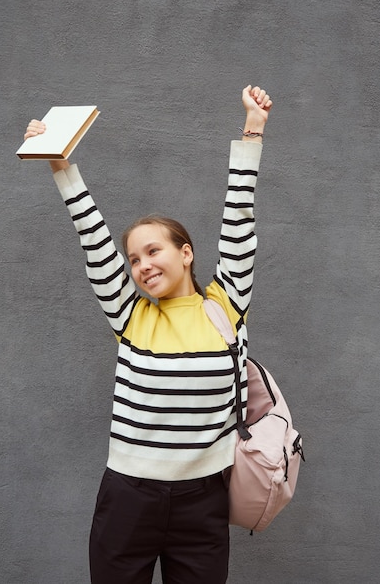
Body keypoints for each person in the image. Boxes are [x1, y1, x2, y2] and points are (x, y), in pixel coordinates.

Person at [24, 84, 272, 584]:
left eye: (154, 251)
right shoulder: (130, 315)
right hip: (127, 499)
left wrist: (253, 130)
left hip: (204, 502)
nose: (141, 266)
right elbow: (91, 238)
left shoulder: (225, 305)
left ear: (186, 253)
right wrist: (59, 163)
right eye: (134, 259)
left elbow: (239, 220)